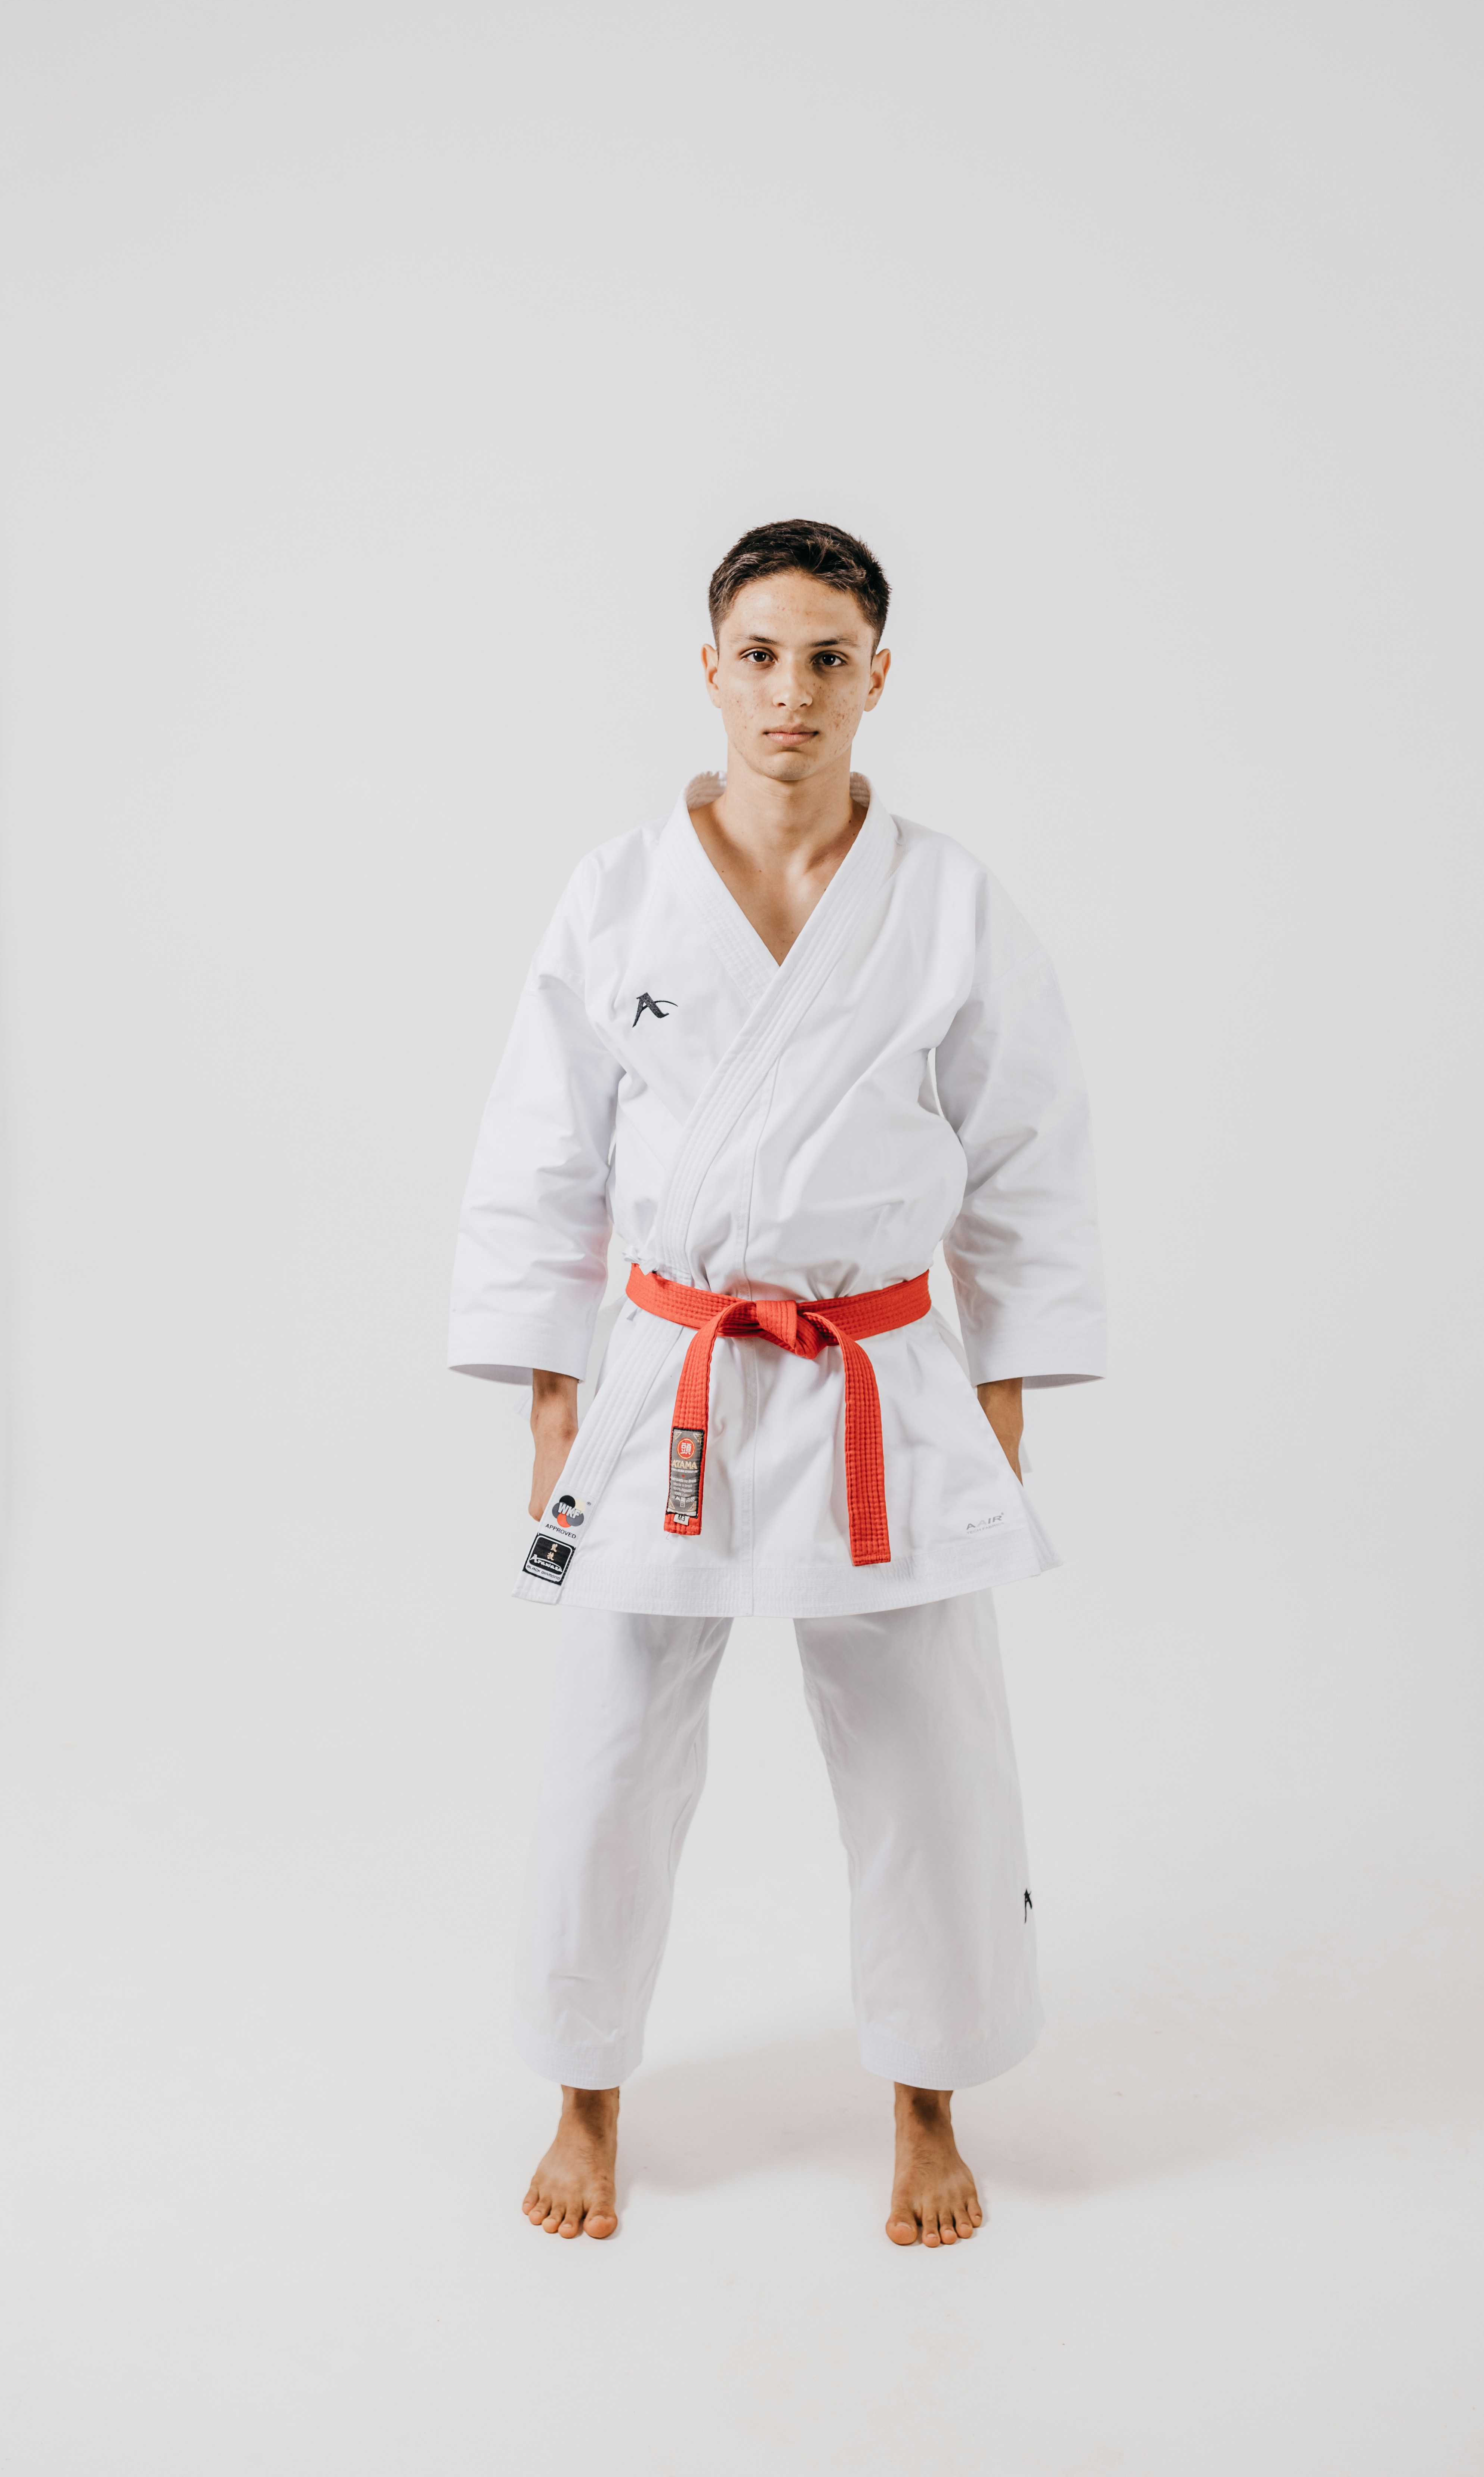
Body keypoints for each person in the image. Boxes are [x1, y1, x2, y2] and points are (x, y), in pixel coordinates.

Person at [450, 518, 1105, 2245]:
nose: (792, 692)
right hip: (666, 1367)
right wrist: (544, 1399)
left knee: (928, 1755)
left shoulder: (949, 902)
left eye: (829, 659)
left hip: (880, 1376)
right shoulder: (614, 894)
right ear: (710, 667)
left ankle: (927, 2100)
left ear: (879, 679)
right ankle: (585, 2095)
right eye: (761, 655)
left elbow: (1028, 1152)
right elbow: (543, 1159)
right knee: (610, 1750)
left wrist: (1007, 1399)